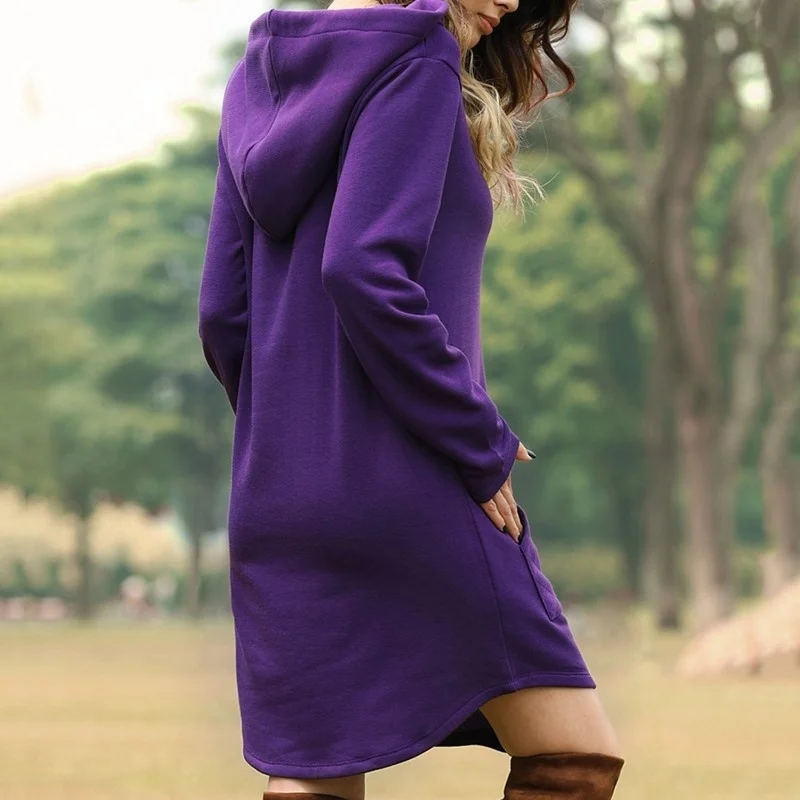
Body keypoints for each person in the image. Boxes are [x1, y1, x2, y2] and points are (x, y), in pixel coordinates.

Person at [197, 0, 624, 797]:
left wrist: (293, 443)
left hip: (278, 500)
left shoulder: (254, 81)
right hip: (412, 482)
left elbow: (222, 313)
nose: (511, 3)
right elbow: (361, 267)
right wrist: (476, 437)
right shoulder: (417, 62)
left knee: (314, 779)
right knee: (573, 758)